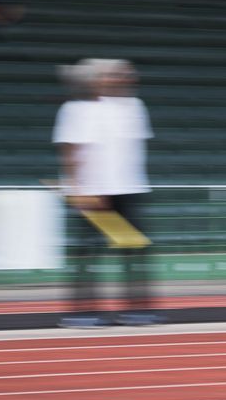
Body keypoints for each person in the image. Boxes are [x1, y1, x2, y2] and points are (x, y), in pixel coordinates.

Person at [52, 59, 160, 329]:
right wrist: (75, 189)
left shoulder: (135, 107)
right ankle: (82, 312)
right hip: (94, 191)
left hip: (130, 188)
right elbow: (70, 152)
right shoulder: (77, 109)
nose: (122, 79)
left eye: (126, 74)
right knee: (88, 255)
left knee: (135, 252)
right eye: (113, 75)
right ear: (97, 79)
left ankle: (137, 310)